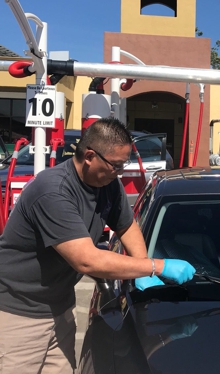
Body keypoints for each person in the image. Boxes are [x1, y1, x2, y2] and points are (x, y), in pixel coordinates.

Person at [0, 117, 195, 374]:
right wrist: (154, 267)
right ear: (90, 155)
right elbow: (87, 260)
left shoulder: (107, 184)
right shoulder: (54, 192)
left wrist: (140, 269)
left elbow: (125, 225)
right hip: (19, 315)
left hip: (60, 309)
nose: (120, 172)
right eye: (116, 165)